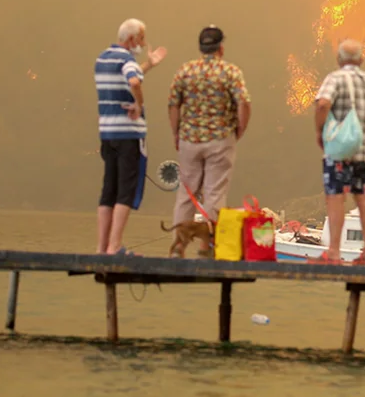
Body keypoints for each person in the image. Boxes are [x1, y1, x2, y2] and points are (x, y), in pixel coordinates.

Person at [167, 25, 251, 257]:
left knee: (186, 193)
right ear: (221, 48)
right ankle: (207, 247)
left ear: (201, 47)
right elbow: (243, 103)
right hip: (221, 140)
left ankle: (178, 247)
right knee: (215, 193)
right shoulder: (230, 72)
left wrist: (176, 133)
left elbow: (173, 104)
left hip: (189, 140)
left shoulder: (185, 71)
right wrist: (238, 130)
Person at [313, 39, 365, 265]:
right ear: (361, 59)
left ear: (339, 59)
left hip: (339, 151)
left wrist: (320, 131)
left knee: (336, 197)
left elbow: (323, 104)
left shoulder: (335, 78)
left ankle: (334, 253)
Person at [95, 18, 167, 255]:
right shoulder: (126, 59)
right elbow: (133, 80)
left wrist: (149, 64)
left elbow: (132, 75)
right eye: (142, 38)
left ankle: (102, 247)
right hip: (128, 135)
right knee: (126, 190)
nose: (144, 42)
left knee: (109, 190)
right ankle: (114, 246)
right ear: (132, 39)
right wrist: (139, 103)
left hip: (107, 134)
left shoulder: (103, 58)